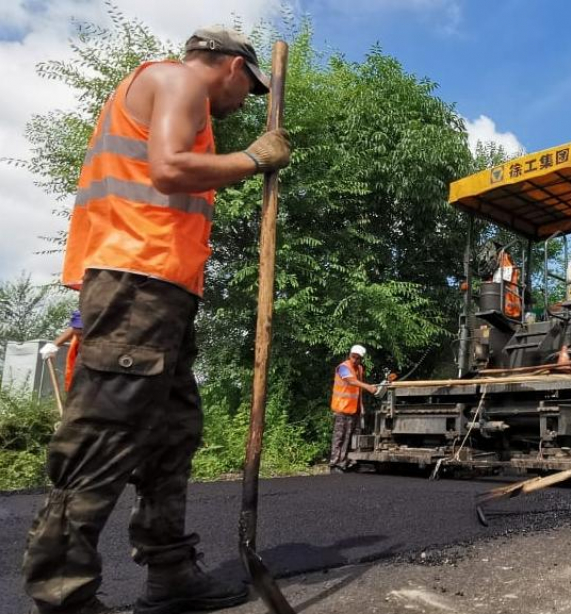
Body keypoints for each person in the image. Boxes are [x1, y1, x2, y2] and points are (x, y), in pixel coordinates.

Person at [22, 26, 291, 614]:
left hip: (156, 291)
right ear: (232, 67)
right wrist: (253, 159)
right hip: (136, 283)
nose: (246, 100)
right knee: (103, 435)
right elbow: (169, 169)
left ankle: (170, 572)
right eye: (250, 88)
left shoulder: (163, 90)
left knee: (172, 434)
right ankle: (62, 595)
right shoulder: (177, 80)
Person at [329, 345, 377, 473]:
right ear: (349, 355)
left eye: (358, 358)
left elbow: (357, 390)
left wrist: (361, 406)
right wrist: (368, 387)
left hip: (354, 409)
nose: (355, 360)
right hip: (341, 408)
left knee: (351, 437)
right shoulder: (343, 367)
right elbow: (350, 381)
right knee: (339, 437)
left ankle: (346, 462)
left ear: (361, 359)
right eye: (353, 357)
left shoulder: (359, 369)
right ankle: (334, 464)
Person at [39, 309, 83, 391]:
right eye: (77, 334)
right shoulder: (87, 307)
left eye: (82, 334)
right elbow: (75, 326)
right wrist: (54, 345)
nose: (80, 338)